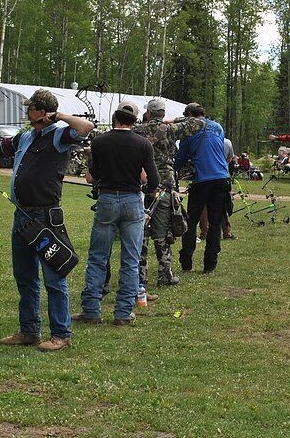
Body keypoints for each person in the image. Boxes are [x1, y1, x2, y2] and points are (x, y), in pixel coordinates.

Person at [0, 88, 94, 352]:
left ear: (41, 111)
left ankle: (61, 334)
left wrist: (58, 116)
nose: (27, 112)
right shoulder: (26, 137)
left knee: (54, 277)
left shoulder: (59, 136)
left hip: (46, 216)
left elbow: (86, 127)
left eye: (31, 108)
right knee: (25, 276)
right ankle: (29, 331)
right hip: (23, 215)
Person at [77, 101, 159, 326]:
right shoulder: (143, 144)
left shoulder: (100, 141)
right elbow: (154, 180)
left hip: (106, 199)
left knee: (97, 257)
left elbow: (91, 177)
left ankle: (92, 309)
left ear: (114, 119)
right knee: (131, 259)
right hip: (132, 200)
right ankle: (123, 312)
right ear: (133, 122)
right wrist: (145, 185)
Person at [132, 99, 205, 288]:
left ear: (148, 113)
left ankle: (141, 276)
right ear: (162, 114)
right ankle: (165, 274)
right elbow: (199, 123)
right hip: (165, 186)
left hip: (142, 183)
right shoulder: (170, 129)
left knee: (142, 231)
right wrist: (171, 122)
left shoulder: (137, 130)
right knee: (162, 230)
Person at [174, 103, 231, 273]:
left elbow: (181, 157)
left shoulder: (189, 131)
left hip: (201, 179)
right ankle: (210, 265)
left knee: (191, 221)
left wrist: (172, 170)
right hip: (221, 177)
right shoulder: (218, 127)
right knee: (215, 222)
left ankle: (187, 262)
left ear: (190, 115)